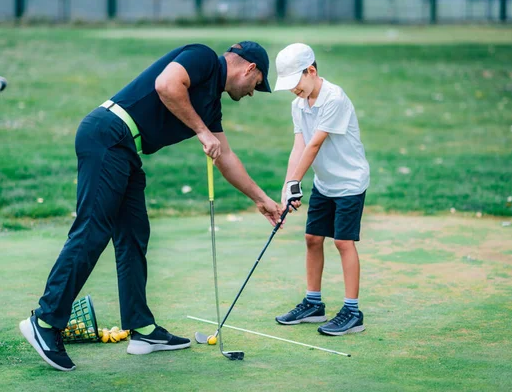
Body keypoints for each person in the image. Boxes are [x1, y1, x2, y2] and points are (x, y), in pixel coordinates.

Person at [19, 41, 282, 371]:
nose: (252, 93)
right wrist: (201, 131)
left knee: (133, 235)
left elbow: (225, 158)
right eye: (257, 85)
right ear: (250, 69)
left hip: (125, 149)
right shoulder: (203, 58)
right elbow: (167, 85)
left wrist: (262, 200)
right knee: (93, 230)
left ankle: (142, 330)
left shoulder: (211, 104)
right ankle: (44, 322)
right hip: (107, 134)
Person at [274, 43, 370, 336]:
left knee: (343, 242)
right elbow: (299, 145)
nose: (293, 90)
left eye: (295, 83)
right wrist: (288, 184)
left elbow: (315, 144)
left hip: (349, 182)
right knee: (313, 238)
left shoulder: (334, 98)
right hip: (324, 183)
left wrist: (295, 181)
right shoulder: (298, 105)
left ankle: (353, 311)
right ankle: (314, 304)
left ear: (311, 71)